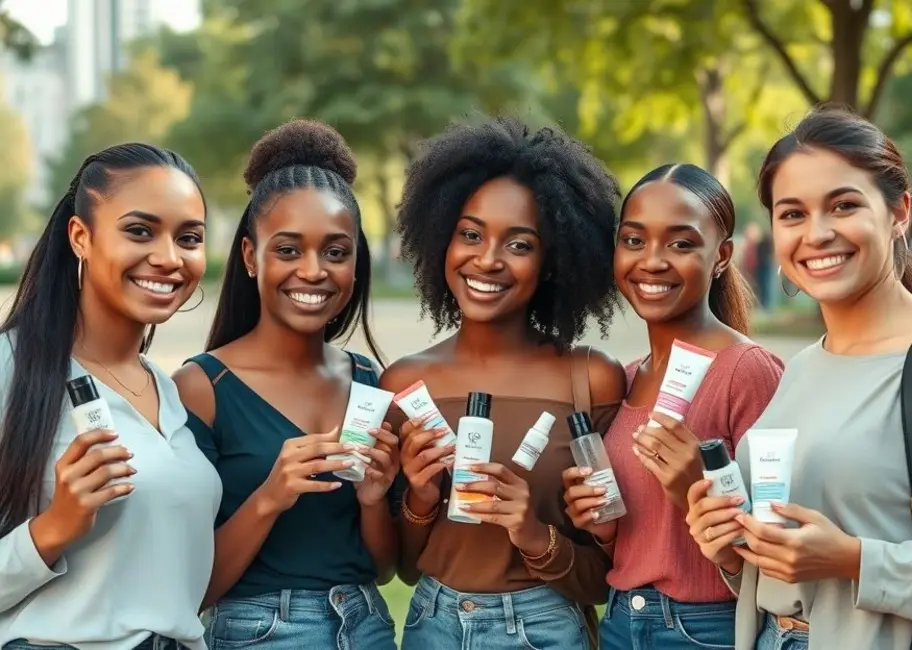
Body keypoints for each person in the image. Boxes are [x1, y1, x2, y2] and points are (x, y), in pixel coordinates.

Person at [686, 107, 912, 650]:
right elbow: (788, 559)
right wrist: (731, 547)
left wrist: (853, 560)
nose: (817, 234)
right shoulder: (801, 367)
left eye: (843, 205)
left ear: (899, 212)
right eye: (792, 214)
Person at [384, 115, 627, 650]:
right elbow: (401, 567)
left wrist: (533, 534)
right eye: (470, 234)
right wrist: (422, 497)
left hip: (547, 629)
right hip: (432, 626)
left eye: (519, 244)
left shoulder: (591, 379)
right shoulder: (405, 383)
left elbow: (610, 575)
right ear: (441, 237)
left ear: (553, 261)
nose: (487, 259)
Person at [173, 120, 401, 650]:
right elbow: (193, 590)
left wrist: (372, 500)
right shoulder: (202, 387)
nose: (314, 271)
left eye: (336, 252)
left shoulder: (370, 383)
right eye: (289, 250)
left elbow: (386, 570)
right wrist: (269, 497)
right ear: (252, 257)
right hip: (260, 633)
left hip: (366, 627)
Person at [0, 144, 220, 650]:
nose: (168, 258)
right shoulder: (13, 370)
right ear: (81, 236)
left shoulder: (168, 390)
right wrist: (54, 528)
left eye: (189, 238)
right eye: (140, 231)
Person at [561, 163, 784, 649]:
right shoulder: (622, 379)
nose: (652, 261)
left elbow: (782, 555)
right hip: (621, 622)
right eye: (634, 240)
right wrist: (601, 527)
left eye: (681, 244)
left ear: (722, 256)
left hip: (707, 630)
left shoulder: (746, 371)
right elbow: (637, 541)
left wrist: (693, 495)